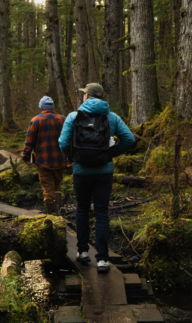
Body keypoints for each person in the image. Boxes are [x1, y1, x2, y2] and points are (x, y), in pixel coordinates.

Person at [58, 83, 135, 273]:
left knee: (82, 209)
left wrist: (74, 157)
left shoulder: (73, 116)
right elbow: (130, 139)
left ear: (88, 97)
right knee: (102, 213)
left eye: (84, 94)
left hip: (81, 172)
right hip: (104, 172)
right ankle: (102, 259)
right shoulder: (112, 117)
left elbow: (62, 143)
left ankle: (83, 252)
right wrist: (110, 154)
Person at [21, 96, 67, 215]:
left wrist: (25, 155)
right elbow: (69, 139)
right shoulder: (63, 119)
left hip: (43, 160)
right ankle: (58, 211)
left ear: (41, 107)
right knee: (57, 184)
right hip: (61, 159)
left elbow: (29, 141)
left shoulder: (36, 120)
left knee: (48, 188)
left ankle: (52, 215)